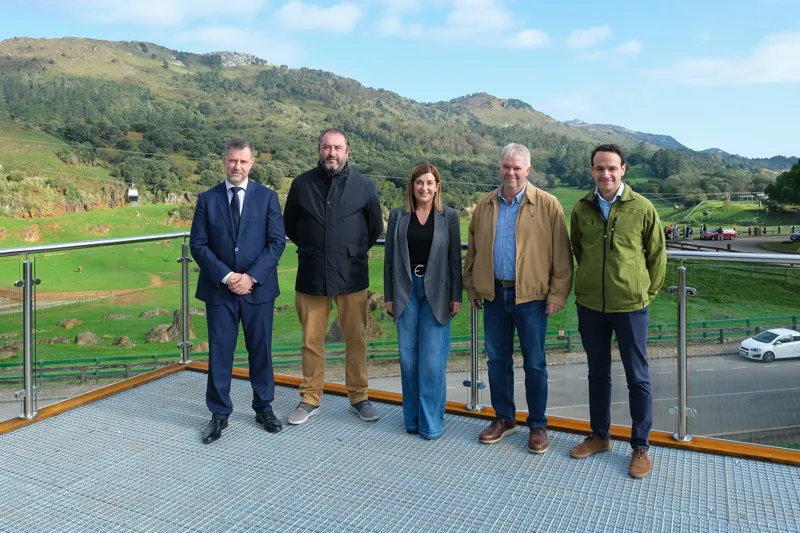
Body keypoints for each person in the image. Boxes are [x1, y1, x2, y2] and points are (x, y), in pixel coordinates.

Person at [463, 143, 573, 454]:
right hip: (494, 294)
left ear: (528, 170)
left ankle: (537, 425)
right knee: (497, 360)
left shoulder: (548, 204)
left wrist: (557, 293)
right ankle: (504, 418)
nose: (510, 172)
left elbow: (562, 255)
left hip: (533, 297)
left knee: (535, 363)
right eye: (506, 167)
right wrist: (472, 287)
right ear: (499, 168)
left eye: (517, 167)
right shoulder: (485, 205)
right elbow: (473, 251)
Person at [569, 143, 666, 478]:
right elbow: (579, 249)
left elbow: (657, 255)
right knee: (597, 373)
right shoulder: (581, 208)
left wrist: (644, 292)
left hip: (631, 307)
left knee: (637, 377)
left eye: (612, 168)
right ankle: (600, 436)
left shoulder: (642, 208)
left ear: (623, 169)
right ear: (592, 170)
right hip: (590, 305)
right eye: (599, 168)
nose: (605, 174)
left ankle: (641, 446)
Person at [283, 128, 384, 425]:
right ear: (319, 150)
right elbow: (290, 225)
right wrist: (314, 248)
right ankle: (310, 397)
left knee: (356, 340)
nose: (332, 153)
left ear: (347, 152)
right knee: (311, 341)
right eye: (327, 147)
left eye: (337, 148)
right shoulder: (301, 184)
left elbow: (374, 228)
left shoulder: (364, 185)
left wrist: (350, 251)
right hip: (312, 275)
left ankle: (359, 397)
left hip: (351, 275)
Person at [190, 138, 286, 444]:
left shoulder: (267, 197)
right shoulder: (207, 199)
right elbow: (198, 245)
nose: (237, 166)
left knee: (261, 351)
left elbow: (276, 243)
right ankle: (219, 414)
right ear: (224, 160)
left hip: (258, 291)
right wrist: (229, 276)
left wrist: (251, 277)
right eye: (232, 160)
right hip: (220, 291)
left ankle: (263, 407)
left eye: (243, 161)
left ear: (252, 164)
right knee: (220, 354)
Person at [384, 163, 462, 440]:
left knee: (431, 361)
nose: (424, 188)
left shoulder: (449, 216)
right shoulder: (398, 216)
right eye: (419, 182)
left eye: (429, 183)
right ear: (412, 186)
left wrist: (456, 296)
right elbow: (389, 259)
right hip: (406, 291)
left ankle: (431, 424)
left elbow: (455, 260)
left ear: (437, 187)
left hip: (437, 293)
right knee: (408, 360)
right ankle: (412, 420)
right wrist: (389, 296)